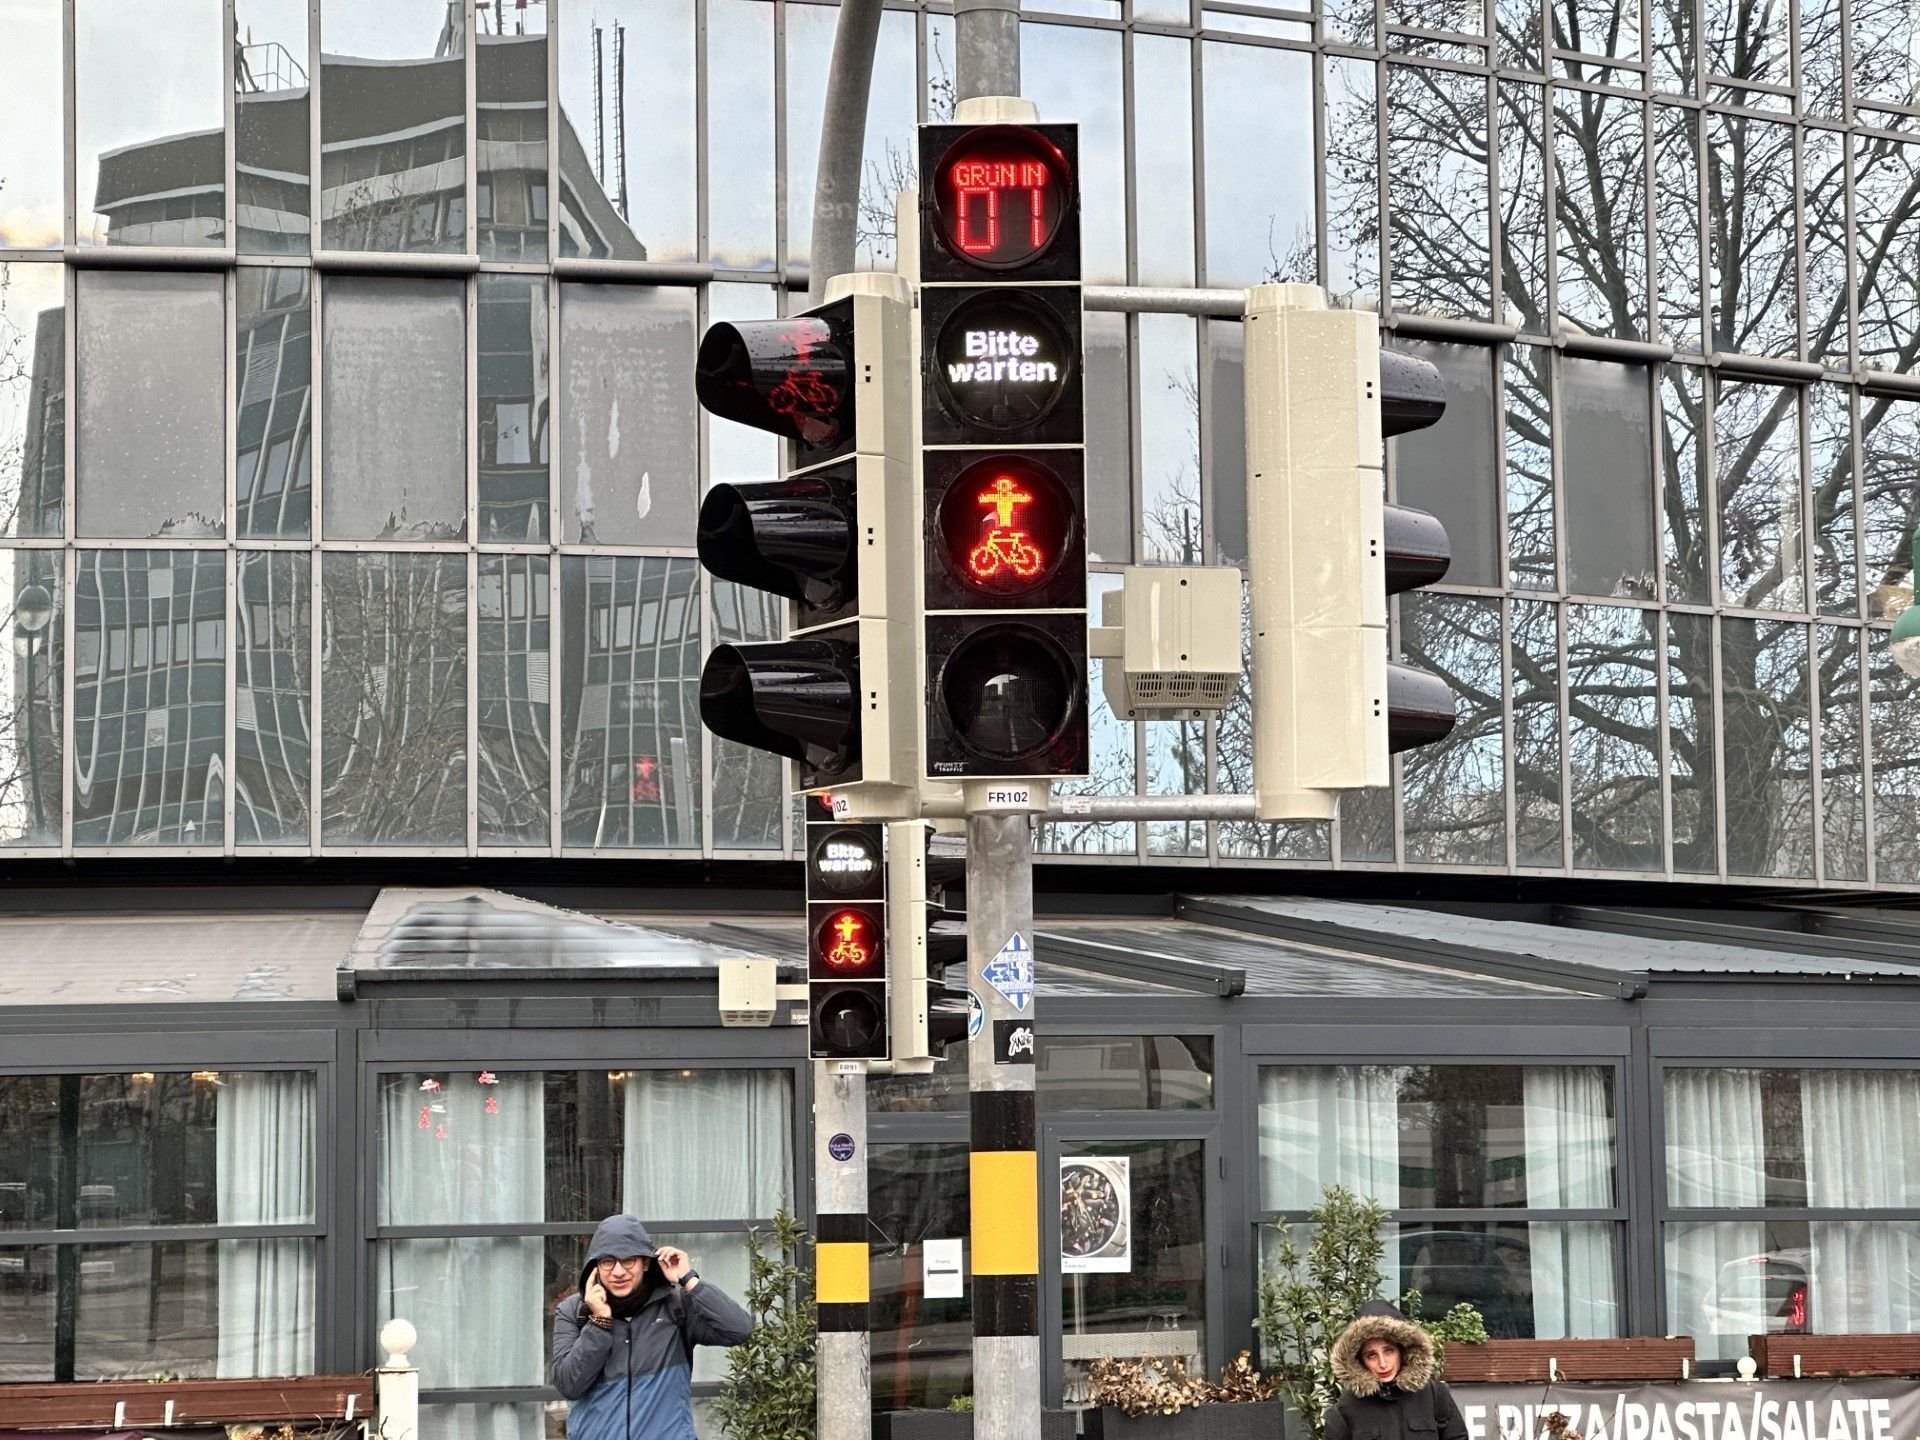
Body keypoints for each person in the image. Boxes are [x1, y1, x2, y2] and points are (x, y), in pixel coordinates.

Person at [551, 1214, 753, 1440]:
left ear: (646, 1262)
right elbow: (569, 1385)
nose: (618, 1272)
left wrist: (689, 1280)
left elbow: (739, 1329)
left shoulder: (676, 1305)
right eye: (608, 1261)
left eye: (629, 1260)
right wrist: (599, 1322)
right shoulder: (574, 1311)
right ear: (596, 1266)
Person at [1324, 1300, 1471, 1440]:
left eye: (1389, 1351)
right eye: (1371, 1355)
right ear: (1359, 1360)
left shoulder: (1434, 1395)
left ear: (1402, 1350)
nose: (1383, 1363)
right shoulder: (1345, 1409)